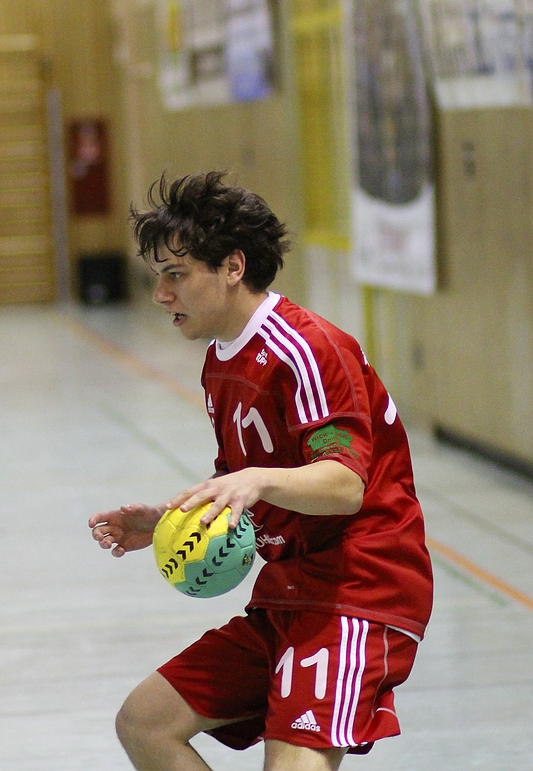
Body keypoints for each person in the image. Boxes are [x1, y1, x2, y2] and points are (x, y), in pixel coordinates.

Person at [89, 171, 433, 771]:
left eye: (176, 275)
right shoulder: (221, 362)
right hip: (287, 591)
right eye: (157, 277)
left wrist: (257, 479)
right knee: (146, 722)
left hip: (357, 589)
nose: (160, 294)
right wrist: (171, 518)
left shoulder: (308, 348)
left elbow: (344, 484)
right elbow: (244, 485)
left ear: (232, 266)